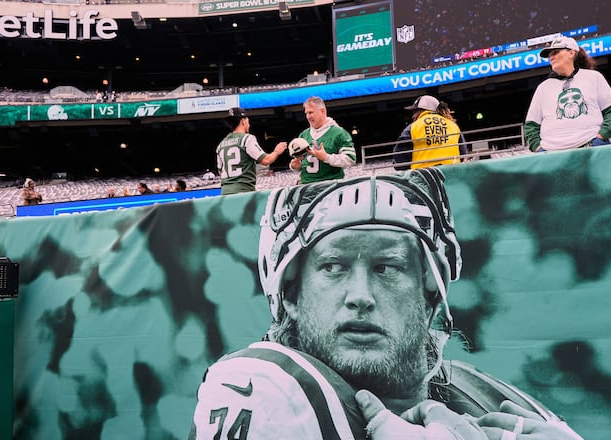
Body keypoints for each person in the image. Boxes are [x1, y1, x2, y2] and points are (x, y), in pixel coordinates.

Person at [191, 169, 584, 440]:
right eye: (333, 266)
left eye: (387, 267)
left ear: (430, 293)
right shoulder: (262, 393)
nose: (360, 295)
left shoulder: (494, 399)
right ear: (291, 293)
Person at [525, 37, 611, 152]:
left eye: (556, 52)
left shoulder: (594, 77)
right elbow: (530, 126)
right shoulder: (543, 88)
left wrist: (601, 137)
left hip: (592, 148)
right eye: (549, 55)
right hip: (553, 155)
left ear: (571, 53)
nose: (551, 57)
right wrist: (539, 149)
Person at [216, 107, 287, 195]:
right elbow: (266, 160)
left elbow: (220, 171)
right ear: (243, 121)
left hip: (225, 193)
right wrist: (276, 151)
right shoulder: (247, 138)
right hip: (243, 191)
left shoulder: (221, 145)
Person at [289, 96, 356, 184]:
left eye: (311, 112)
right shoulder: (303, 135)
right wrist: (295, 166)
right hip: (307, 187)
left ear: (323, 111)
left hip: (330, 187)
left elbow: (350, 159)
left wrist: (326, 157)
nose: (308, 116)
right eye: (306, 113)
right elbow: (303, 162)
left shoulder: (339, 133)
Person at [394, 95, 465, 170]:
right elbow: (463, 155)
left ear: (423, 110)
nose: (413, 116)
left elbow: (400, 162)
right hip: (453, 174)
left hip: (423, 177)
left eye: (415, 111)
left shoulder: (412, 128)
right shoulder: (453, 126)